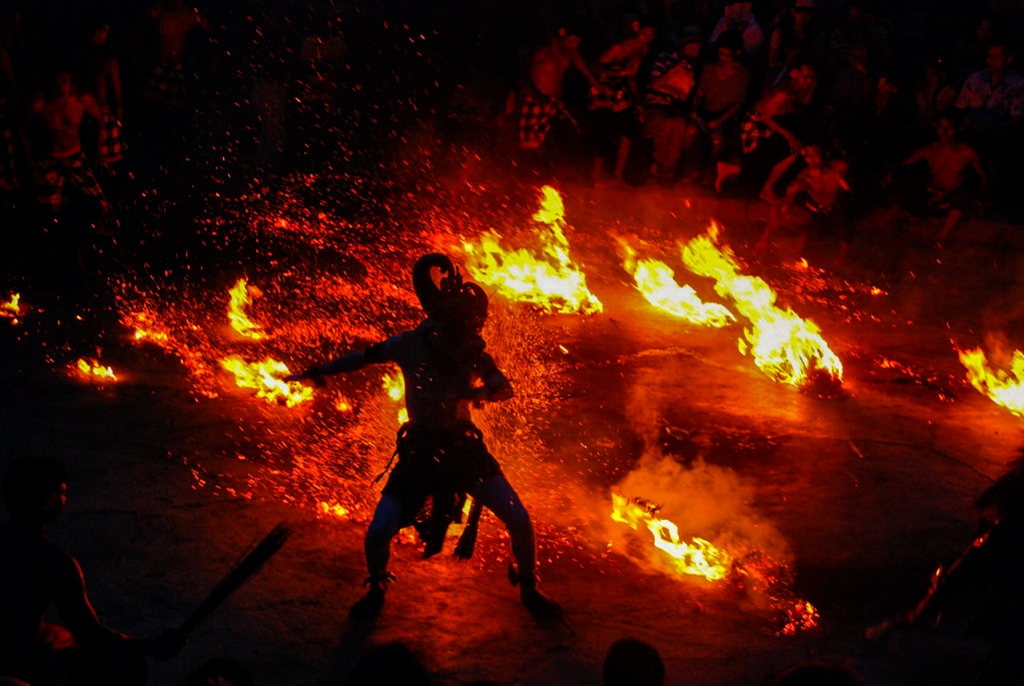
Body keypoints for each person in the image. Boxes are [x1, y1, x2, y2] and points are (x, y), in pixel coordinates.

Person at [287, 254, 559, 621]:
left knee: (520, 519)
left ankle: (529, 585)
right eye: (465, 324)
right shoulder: (409, 345)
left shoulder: (473, 351)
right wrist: (320, 371)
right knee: (378, 531)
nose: (472, 332)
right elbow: (363, 358)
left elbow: (502, 388)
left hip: (463, 451)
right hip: (420, 453)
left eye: (474, 326)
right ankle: (377, 587)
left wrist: (475, 395)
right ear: (447, 319)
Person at [0, 457, 186, 686]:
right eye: (61, 492)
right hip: (16, 663)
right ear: (48, 502)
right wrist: (151, 646)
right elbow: (92, 636)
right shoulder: (56, 564)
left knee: (58, 636)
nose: (64, 499)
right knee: (128, 667)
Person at [884, 108, 985, 242]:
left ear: (957, 129)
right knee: (908, 188)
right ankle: (885, 220)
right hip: (932, 194)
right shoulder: (930, 149)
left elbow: (982, 175)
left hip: (951, 196)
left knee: (962, 199)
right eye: (941, 128)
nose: (943, 133)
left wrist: (982, 196)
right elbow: (905, 163)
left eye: (948, 128)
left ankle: (942, 236)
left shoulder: (967, 152)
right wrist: (890, 174)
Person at [586, 16, 656, 186]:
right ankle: (595, 176)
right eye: (645, 33)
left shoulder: (643, 49)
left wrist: (637, 100)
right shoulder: (619, 47)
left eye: (651, 34)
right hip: (601, 87)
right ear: (637, 30)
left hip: (619, 89)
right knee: (605, 129)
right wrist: (616, 75)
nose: (647, 37)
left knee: (628, 130)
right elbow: (595, 67)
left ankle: (617, 176)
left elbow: (631, 76)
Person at [754, 142, 852, 263]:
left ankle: (844, 254)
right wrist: (765, 238)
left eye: (815, 154)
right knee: (783, 210)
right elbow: (785, 200)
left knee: (844, 207)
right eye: (807, 156)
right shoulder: (805, 174)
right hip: (817, 213)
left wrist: (842, 179)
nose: (811, 159)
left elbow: (848, 185)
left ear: (825, 154)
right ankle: (803, 238)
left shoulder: (838, 167)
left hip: (835, 211)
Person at [514, 23, 596, 156]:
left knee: (546, 139)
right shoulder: (545, 50)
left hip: (552, 102)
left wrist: (595, 82)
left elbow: (578, 61)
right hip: (534, 99)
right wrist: (535, 95)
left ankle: (540, 168)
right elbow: (522, 73)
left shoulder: (569, 51)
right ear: (563, 33)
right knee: (526, 142)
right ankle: (514, 168)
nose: (575, 44)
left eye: (577, 42)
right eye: (573, 39)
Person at [682, 30, 749, 183]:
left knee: (717, 139)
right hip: (705, 112)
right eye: (720, 53)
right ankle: (692, 167)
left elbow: (738, 103)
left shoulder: (743, 75)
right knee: (691, 130)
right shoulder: (710, 68)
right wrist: (695, 108)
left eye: (727, 54)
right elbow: (700, 92)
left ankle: (711, 170)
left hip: (725, 115)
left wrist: (719, 120)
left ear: (736, 53)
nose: (722, 58)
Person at [642, 25, 703, 179]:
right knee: (666, 122)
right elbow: (654, 84)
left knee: (680, 123)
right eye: (692, 48)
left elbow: (682, 97)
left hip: (671, 106)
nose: (695, 52)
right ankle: (658, 164)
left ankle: (669, 167)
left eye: (698, 49)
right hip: (654, 104)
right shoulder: (664, 59)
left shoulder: (691, 68)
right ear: (684, 46)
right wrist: (674, 71)